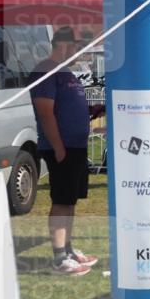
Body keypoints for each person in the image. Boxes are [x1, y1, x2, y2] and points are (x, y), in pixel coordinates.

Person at [30, 27, 100, 276]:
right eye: (76, 47)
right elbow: (45, 112)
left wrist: (92, 111)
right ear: (63, 44)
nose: (79, 52)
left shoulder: (65, 71)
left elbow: (66, 106)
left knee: (70, 201)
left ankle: (68, 250)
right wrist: (58, 147)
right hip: (63, 147)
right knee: (61, 201)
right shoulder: (45, 70)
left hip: (76, 146)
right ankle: (59, 257)